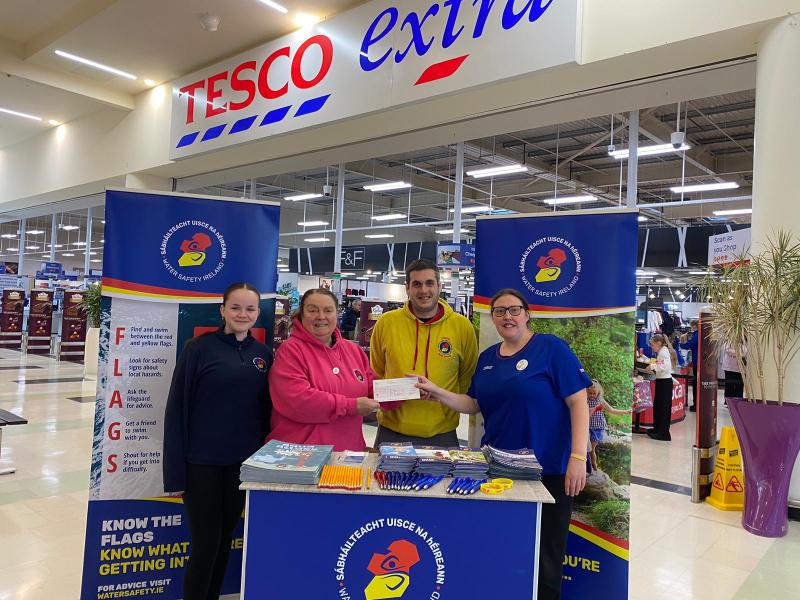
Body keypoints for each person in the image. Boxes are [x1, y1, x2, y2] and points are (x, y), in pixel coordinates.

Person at [414, 288, 590, 600]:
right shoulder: (487, 359)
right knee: (505, 548)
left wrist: (577, 457)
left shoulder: (551, 348)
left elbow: (578, 402)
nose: (507, 316)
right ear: (493, 318)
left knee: (546, 558)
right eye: (499, 311)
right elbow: (473, 404)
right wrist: (437, 392)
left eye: (514, 310)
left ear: (527, 314)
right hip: (499, 471)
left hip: (548, 472)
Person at [163, 282, 271, 600]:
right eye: (235, 307)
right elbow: (177, 410)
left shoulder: (263, 355)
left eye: (250, 308)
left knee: (225, 540)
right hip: (202, 465)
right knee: (206, 543)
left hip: (242, 467)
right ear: (222, 310)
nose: (242, 314)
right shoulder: (198, 349)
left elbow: (267, 412)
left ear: (257, 313)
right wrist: (175, 474)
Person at [369, 258, 478, 447]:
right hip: (392, 432)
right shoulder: (386, 323)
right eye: (417, 284)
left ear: (439, 286)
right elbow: (376, 374)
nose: (424, 290)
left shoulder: (462, 326)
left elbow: (466, 380)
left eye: (429, 283)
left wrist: (441, 395)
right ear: (407, 288)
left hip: (443, 433)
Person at [268, 289, 382, 451]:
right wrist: (351, 406)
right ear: (301, 314)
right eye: (312, 310)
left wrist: (408, 389)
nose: (321, 316)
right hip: (302, 455)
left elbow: (373, 388)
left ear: (336, 314)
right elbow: (298, 402)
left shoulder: (353, 350)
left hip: (348, 453)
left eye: (328, 310)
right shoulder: (290, 351)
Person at [587, 379, 631, 470]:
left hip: (598, 427)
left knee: (592, 447)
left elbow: (612, 410)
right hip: (588, 427)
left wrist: (625, 412)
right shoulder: (585, 401)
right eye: (590, 393)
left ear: (598, 393)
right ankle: (590, 466)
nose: (592, 395)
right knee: (588, 447)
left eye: (594, 393)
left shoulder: (601, 401)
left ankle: (594, 466)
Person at [647, 334, 676, 441]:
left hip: (665, 383)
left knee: (663, 408)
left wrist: (652, 366)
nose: (651, 347)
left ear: (658, 343)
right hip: (662, 381)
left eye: (652, 344)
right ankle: (657, 429)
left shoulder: (663, 352)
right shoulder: (661, 352)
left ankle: (663, 433)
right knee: (659, 407)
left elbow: (665, 366)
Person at [679, 320, 699, 411]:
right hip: (697, 361)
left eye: (693, 326)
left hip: (697, 362)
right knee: (696, 383)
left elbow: (689, 345)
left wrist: (679, 344)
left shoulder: (697, 335)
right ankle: (696, 404)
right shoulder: (698, 334)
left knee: (696, 384)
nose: (692, 327)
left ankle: (696, 405)